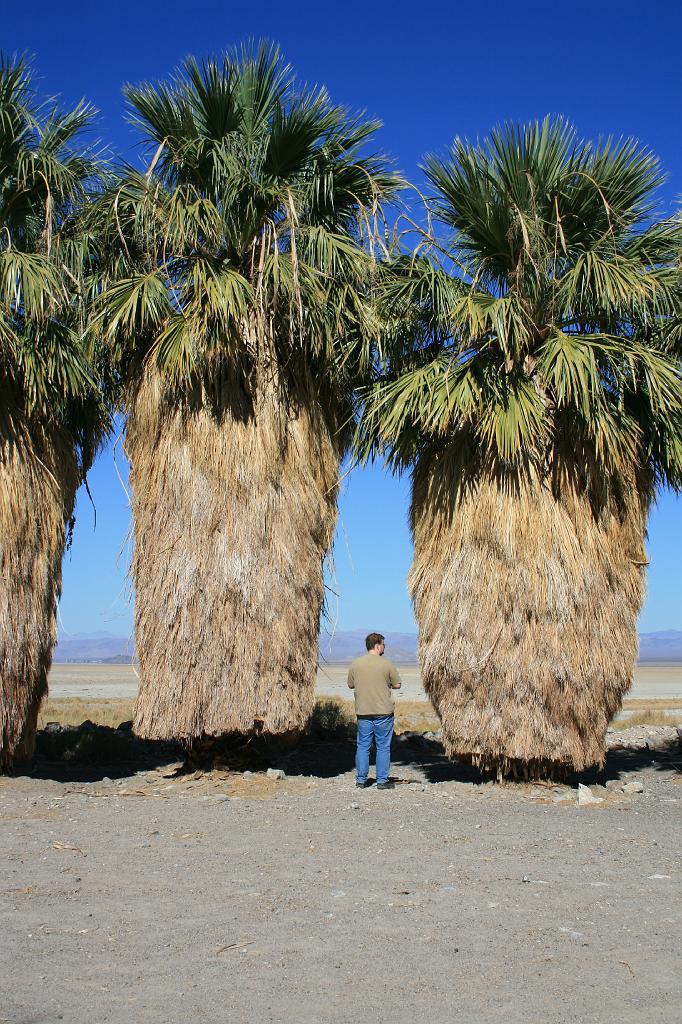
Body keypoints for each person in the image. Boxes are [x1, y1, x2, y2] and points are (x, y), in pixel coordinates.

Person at [347, 632, 402, 790]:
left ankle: (361, 780)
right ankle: (382, 780)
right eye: (384, 644)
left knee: (363, 745)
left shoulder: (356, 663)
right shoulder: (387, 664)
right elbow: (397, 684)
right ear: (377, 645)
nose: (384, 647)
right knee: (383, 746)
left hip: (363, 711)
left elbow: (350, 685)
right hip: (383, 711)